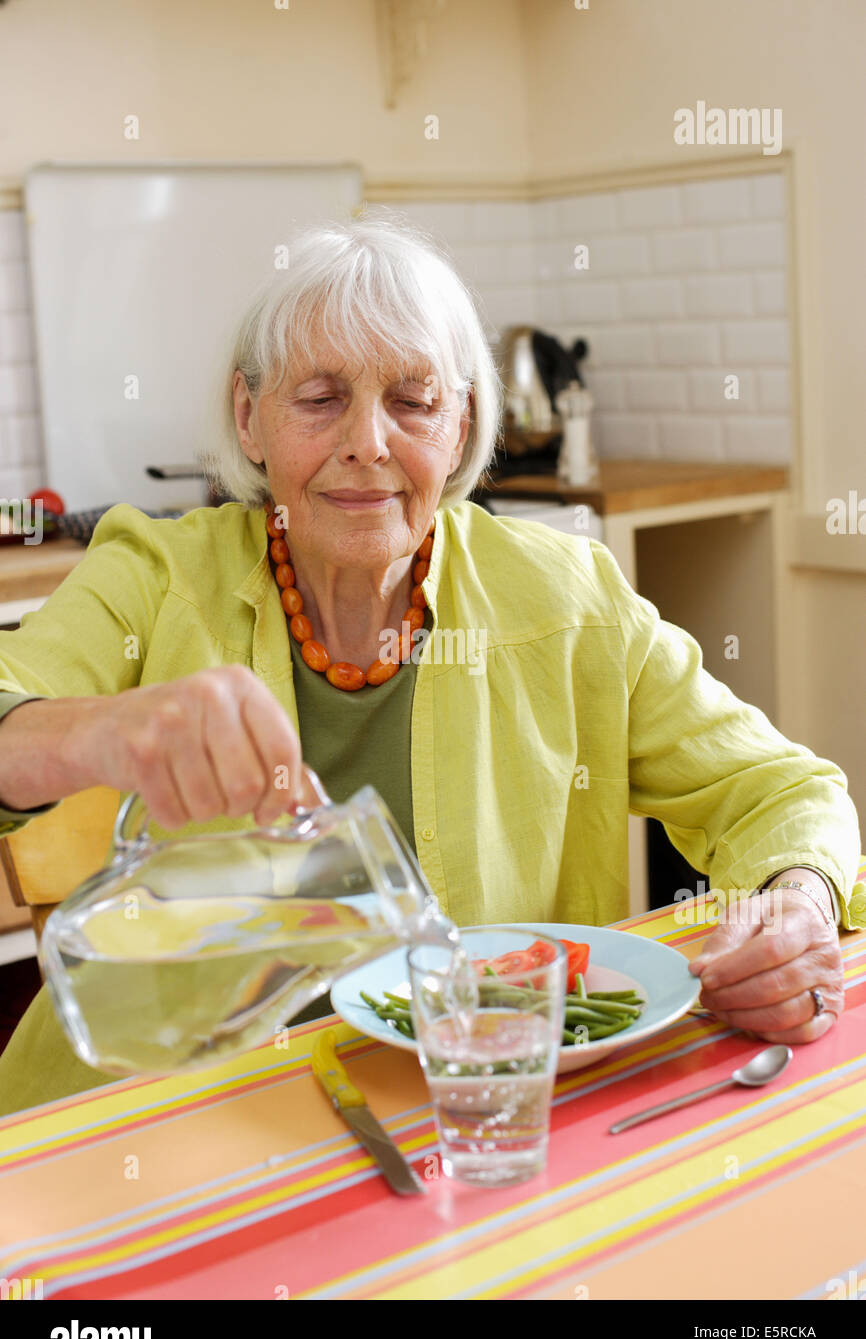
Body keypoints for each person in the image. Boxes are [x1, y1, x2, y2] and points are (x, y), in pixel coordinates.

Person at [0, 213, 861, 1117]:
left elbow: (783, 792)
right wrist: (97, 731)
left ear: (461, 428)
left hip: (475, 1115)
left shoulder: (565, 599)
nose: (368, 442)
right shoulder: (156, 574)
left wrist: (796, 905)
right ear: (249, 416)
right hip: (166, 1116)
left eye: (412, 402)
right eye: (321, 398)